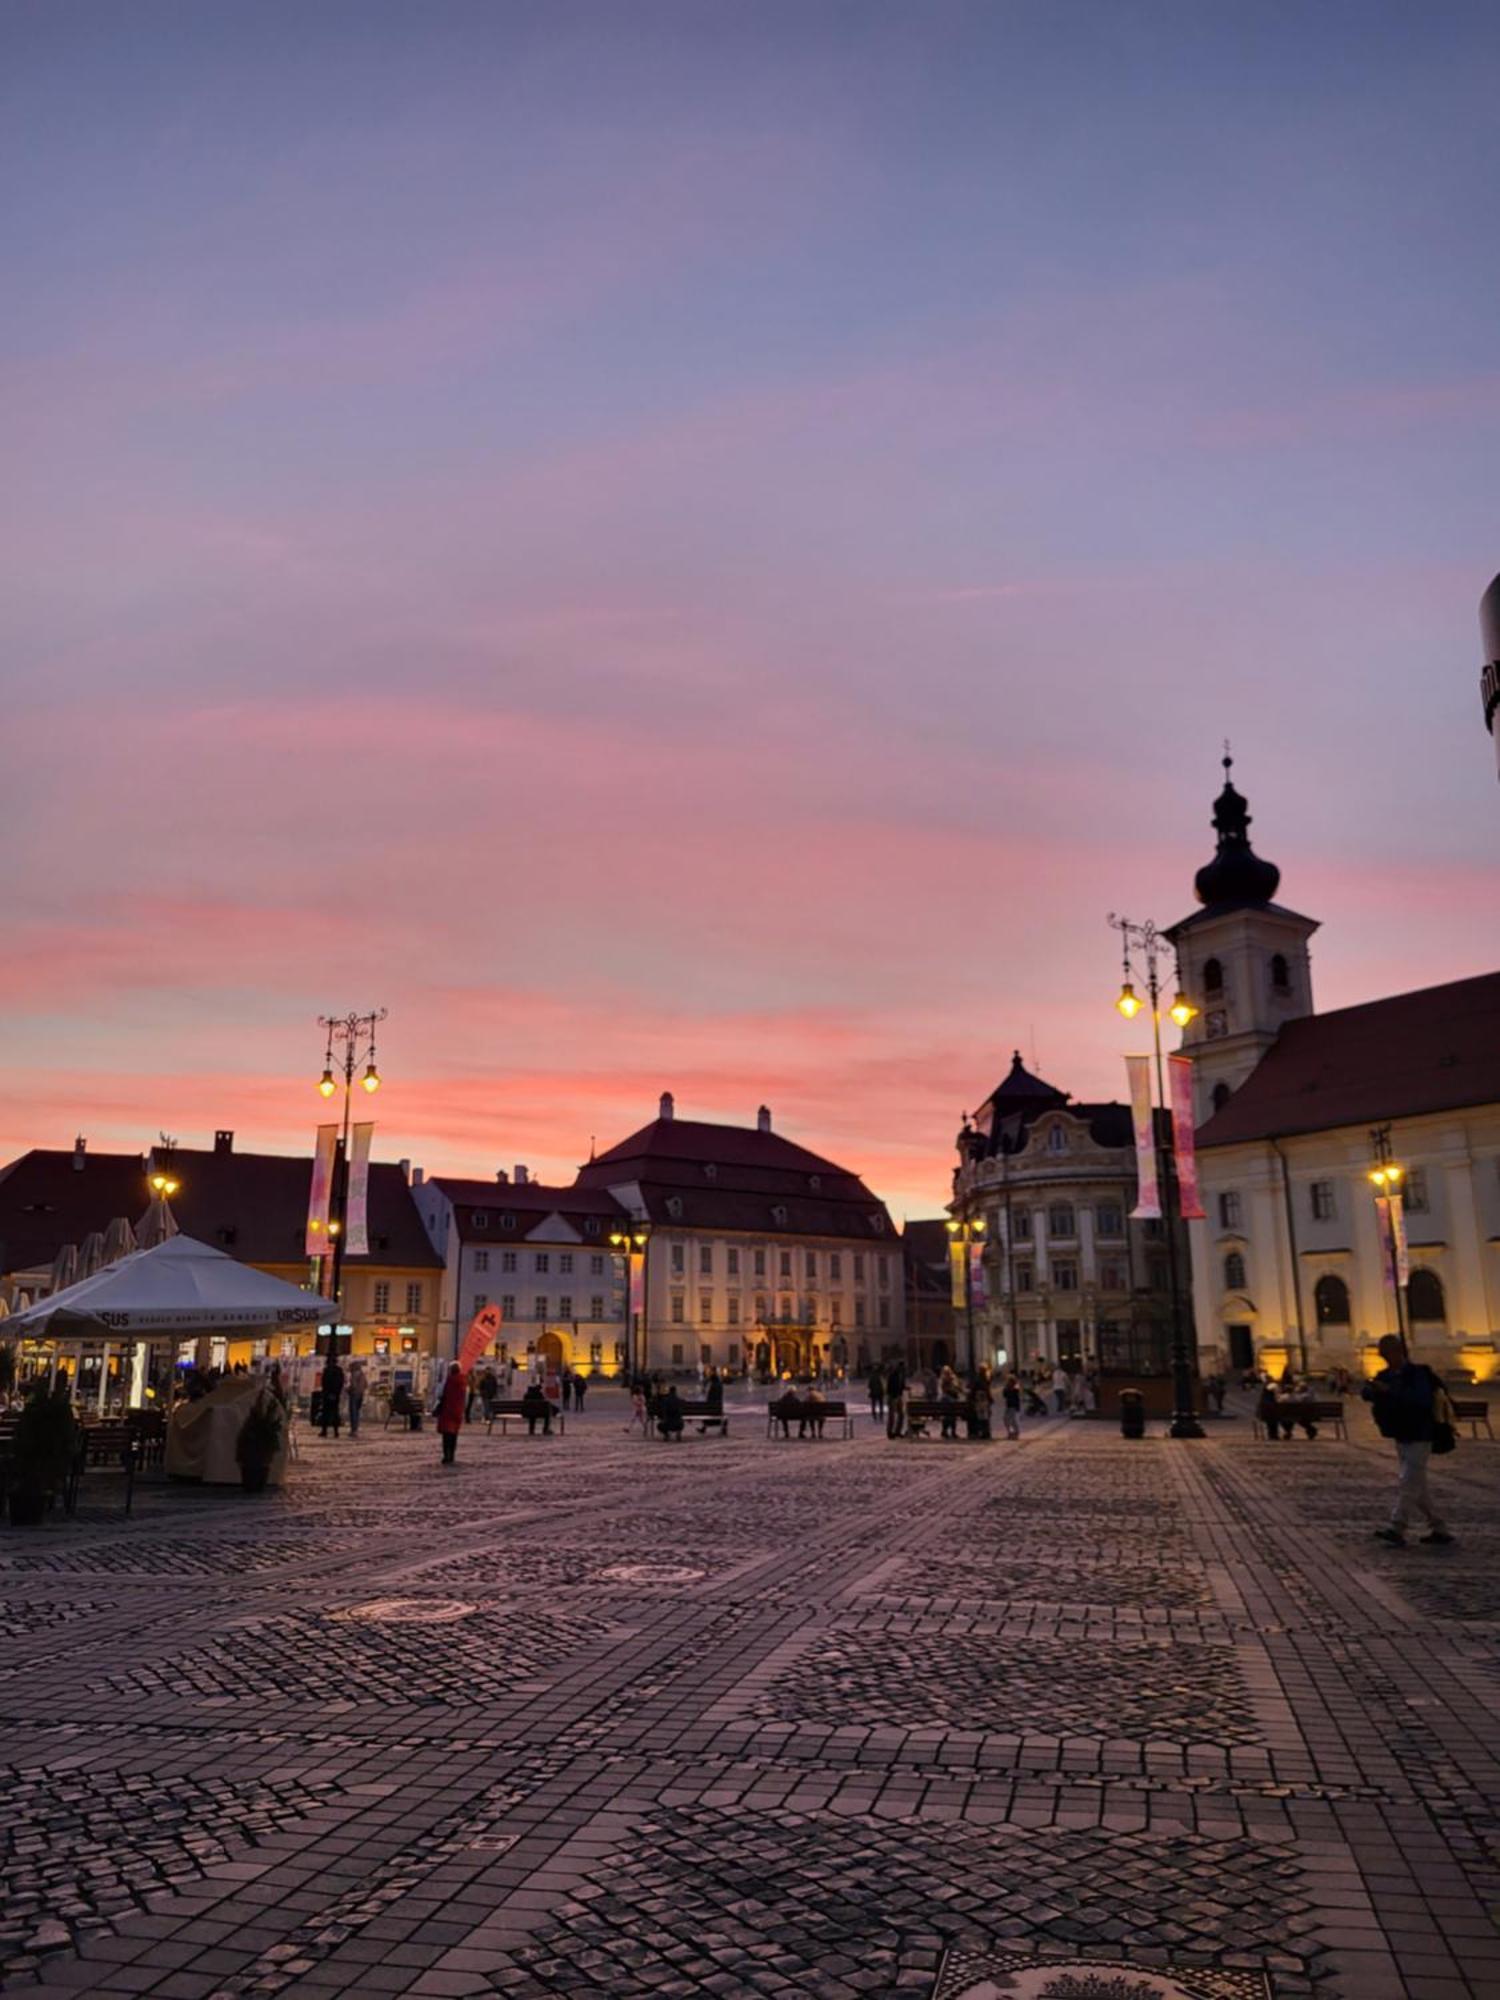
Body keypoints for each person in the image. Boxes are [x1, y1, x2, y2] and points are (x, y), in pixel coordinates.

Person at [1363, 1334, 1454, 1546]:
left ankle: (1397, 1527)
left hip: (1420, 1433)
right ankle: (1439, 1528)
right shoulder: (1386, 1374)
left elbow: (1420, 1400)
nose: (1385, 1359)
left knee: (1408, 1482)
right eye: (1382, 1355)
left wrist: (1390, 1391)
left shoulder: (1418, 1374)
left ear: (1398, 1352)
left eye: (1387, 1354)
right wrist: (1372, 1389)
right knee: (1418, 1486)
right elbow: (1366, 1394)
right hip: (1401, 1434)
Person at [435, 1364, 467, 1465]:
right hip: (457, 1410)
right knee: (454, 1434)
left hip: (448, 1410)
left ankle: (446, 1455)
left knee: (446, 1434)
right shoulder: (463, 1381)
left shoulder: (450, 1381)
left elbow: (443, 1394)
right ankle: (452, 1454)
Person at [319, 1355, 344, 1439]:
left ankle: (324, 1431)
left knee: (326, 1413)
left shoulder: (326, 1370)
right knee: (335, 1413)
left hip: (327, 1394)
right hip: (335, 1394)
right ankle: (336, 1431)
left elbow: (324, 1383)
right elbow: (341, 1383)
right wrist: (336, 1393)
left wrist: (327, 1392)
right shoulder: (339, 1370)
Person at [937, 1366, 961, 1442]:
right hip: (951, 1407)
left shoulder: (943, 1382)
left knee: (947, 1415)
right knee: (951, 1415)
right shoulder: (952, 1380)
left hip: (945, 1408)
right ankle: (952, 1432)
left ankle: (944, 1431)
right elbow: (957, 1389)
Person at [885, 1359, 907, 1439]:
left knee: (901, 1414)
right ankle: (890, 1432)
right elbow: (889, 1387)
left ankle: (898, 1431)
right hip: (892, 1397)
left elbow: (901, 1385)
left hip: (899, 1396)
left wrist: (905, 1388)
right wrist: (894, 1395)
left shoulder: (902, 1375)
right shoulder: (893, 1375)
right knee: (892, 1416)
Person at [346, 1358, 368, 1439]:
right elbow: (366, 1384)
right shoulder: (362, 1374)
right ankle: (355, 1429)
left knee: (353, 1412)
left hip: (354, 1395)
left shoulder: (354, 1374)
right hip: (361, 1394)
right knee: (357, 1412)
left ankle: (353, 1430)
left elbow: (353, 1386)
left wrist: (348, 1390)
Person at [1002, 1372, 1022, 1441]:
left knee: (1014, 1420)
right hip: (1009, 1406)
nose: (1007, 1382)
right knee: (1006, 1419)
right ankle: (1010, 1432)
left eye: (1009, 1380)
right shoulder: (1007, 1387)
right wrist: (1007, 1387)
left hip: (1014, 1406)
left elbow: (1016, 1391)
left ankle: (1016, 1433)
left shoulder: (1016, 1386)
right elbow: (1004, 1394)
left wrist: (1010, 1388)